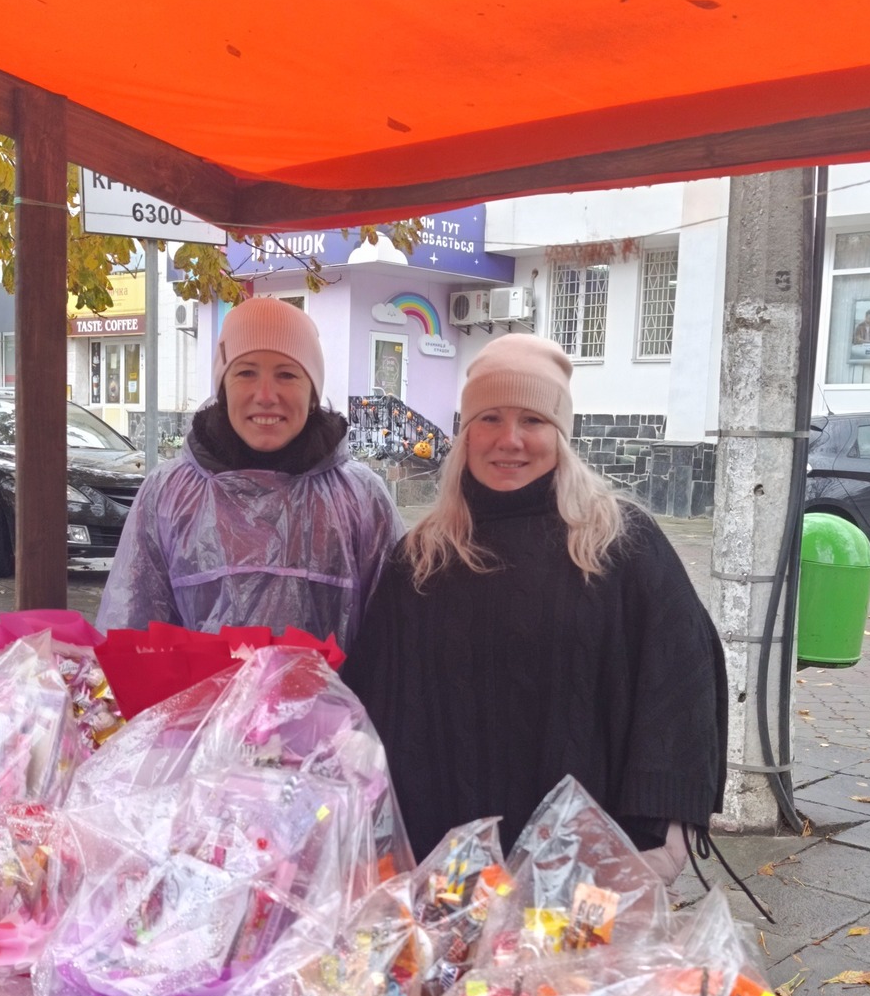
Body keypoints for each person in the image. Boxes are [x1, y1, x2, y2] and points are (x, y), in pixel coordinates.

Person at [342, 336, 728, 877]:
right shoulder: (422, 559)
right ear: (466, 434)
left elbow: (681, 679)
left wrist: (663, 834)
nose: (510, 439)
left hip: (586, 869)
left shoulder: (621, 543)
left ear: (560, 435)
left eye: (532, 420)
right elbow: (375, 705)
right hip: (446, 866)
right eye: (490, 418)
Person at [98, 298, 402, 648]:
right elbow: (131, 633)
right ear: (223, 389)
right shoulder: (169, 494)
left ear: (313, 393)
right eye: (246, 372)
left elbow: (396, 639)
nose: (266, 395)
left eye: (287, 374)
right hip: (200, 689)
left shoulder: (360, 499)